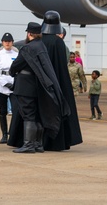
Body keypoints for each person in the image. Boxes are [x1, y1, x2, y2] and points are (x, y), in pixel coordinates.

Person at [7, 21, 66, 153]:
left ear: (29, 34)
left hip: (25, 87)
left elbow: (16, 66)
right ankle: (38, 144)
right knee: (36, 115)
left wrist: (12, 71)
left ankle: (28, 145)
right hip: (36, 86)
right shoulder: (41, 46)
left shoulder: (27, 48)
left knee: (28, 115)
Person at [38, 10, 82, 150]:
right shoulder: (58, 42)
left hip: (40, 83)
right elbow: (61, 65)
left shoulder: (39, 41)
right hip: (57, 82)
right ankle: (58, 141)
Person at [0, 32, 17, 143]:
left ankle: (13, 133)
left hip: (13, 83)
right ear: (2, 42)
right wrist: (4, 83)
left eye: (9, 41)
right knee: (3, 111)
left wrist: (14, 83)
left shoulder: (17, 54)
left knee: (16, 111)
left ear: (12, 42)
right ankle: (4, 134)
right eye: (5, 41)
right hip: (1, 84)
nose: (7, 43)